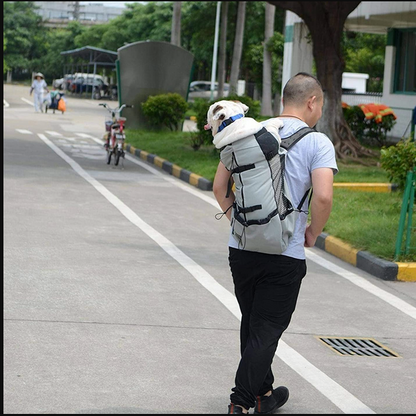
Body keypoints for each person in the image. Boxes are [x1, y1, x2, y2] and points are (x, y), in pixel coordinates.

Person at [212, 72, 338, 414]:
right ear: (312, 102)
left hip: (241, 249)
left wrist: (236, 222)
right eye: (320, 105)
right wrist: (312, 230)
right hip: (284, 252)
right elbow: (323, 196)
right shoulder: (317, 142)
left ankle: (264, 394)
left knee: (253, 322)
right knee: (266, 330)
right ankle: (240, 402)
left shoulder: (249, 131)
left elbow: (219, 188)